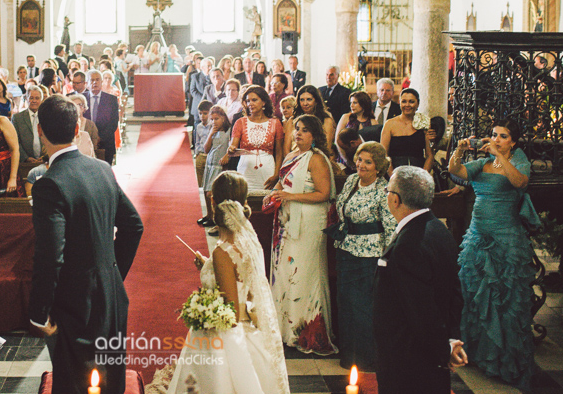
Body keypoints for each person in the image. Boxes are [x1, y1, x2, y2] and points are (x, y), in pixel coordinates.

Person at [29, 95, 143, 394]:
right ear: (78, 127)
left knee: (74, 382)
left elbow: (51, 254)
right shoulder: (102, 169)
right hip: (112, 296)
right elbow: (134, 225)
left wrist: (38, 312)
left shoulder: (49, 184)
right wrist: (111, 273)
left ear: (39, 130)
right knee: (110, 380)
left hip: (75, 304)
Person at [158, 171, 289, 394]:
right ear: (244, 203)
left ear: (213, 201)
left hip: (227, 336)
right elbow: (244, 285)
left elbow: (229, 308)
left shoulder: (222, 252)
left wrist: (202, 308)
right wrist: (209, 267)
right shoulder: (247, 242)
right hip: (248, 324)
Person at [447, 119, 537, 389]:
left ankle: (504, 359)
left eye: (503, 136)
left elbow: (520, 182)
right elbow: (457, 172)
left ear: (514, 142)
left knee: (505, 300)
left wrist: (500, 157)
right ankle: (476, 353)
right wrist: (459, 151)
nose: (496, 139)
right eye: (494, 135)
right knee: (475, 294)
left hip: (505, 239)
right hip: (477, 235)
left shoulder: (518, 161)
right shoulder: (483, 163)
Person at [374, 166, 466, 394]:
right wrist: (451, 340)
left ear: (395, 199)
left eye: (388, 191)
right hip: (428, 355)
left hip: (407, 361)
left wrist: (441, 352)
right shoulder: (438, 228)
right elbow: (455, 292)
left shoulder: (408, 246)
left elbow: (420, 310)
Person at [268, 114, 338, 355]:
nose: (298, 133)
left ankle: (307, 332)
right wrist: (275, 193)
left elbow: (324, 193)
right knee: (285, 272)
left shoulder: (317, 160)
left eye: (305, 130)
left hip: (309, 223)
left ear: (315, 134)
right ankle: (286, 329)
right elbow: (282, 183)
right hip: (287, 220)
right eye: (296, 128)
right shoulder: (291, 155)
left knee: (304, 273)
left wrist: (290, 196)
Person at [333, 141, 396, 370]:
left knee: (363, 306)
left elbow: (391, 227)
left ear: (378, 167)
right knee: (346, 302)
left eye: (368, 162)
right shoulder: (351, 181)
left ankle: (367, 357)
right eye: (359, 159)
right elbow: (342, 209)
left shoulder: (383, 190)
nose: (361, 165)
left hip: (370, 255)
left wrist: (387, 260)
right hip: (346, 250)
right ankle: (349, 354)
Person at [222, 86, 284, 192]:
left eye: (254, 100)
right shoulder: (240, 122)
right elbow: (233, 146)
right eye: (247, 101)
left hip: (268, 173)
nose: (250, 103)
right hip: (245, 172)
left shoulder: (275, 123)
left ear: (263, 102)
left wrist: (276, 175)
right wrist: (231, 149)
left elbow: (279, 153)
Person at [381, 87, 434, 171]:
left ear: (418, 104)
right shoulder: (389, 124)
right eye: (404, 101)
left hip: (418, 172)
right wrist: (393, 177)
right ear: (399, 103)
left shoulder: (424, 123)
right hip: (394, 172)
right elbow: (384, 155)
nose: (407, 105)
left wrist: (423, 177)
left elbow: (429, 155)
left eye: (411, 102)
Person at [199, 106, 231, 230]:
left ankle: (217, 220)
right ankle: (209, 215)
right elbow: (206, 149)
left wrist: (227, 155)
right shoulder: (213, 130)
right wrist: (211, 133)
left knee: (212, 193)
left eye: (216, 119)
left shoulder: (229, 131)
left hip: (219, 165)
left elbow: (232, 146)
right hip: (210, 163)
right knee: (206, 189)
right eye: (212, 119)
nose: (214, 122)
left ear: (223, 117)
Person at [85, 70, 120, 165]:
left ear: (101, 82)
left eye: (97, 80)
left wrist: (99, 138)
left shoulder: (111, 100)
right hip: (85, 142)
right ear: (87, 83)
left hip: (105, 143)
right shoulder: (82, 98)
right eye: (92, 80)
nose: (95, 82)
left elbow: (113, 123)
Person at [292, 85, 337, 155]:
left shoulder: (326, 120)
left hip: (318, 157)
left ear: (316, 101)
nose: (305, 103)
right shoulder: (292, 120)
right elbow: (286, 148)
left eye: (309, 99)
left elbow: (326, 147)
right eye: (302, 100)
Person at [13, 87, 45, 164]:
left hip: (44, 161)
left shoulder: (47, 116)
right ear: (27, 99)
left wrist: (45, 156)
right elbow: (15, 141)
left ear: (41, 100)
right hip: (24, 162)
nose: (34, 101)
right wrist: (26, 158)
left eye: (37, 98)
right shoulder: (17, 118)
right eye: (31, 98)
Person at [65, 93, 98, 157]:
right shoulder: (66, 123)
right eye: (75, 105)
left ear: (84, 107)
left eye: (80, 104)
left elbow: (94, 146)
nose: (78, 107)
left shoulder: (91, 125)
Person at [192, 101, 213, 190]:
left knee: (209, 178)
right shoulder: (199, 126)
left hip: (210, 155)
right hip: (200, 154)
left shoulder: (213, 126)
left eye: (205, 113)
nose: (202, 116)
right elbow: (197, 141)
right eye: (200, 114)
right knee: (199, 177)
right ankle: (200, 192)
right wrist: (197, 154)